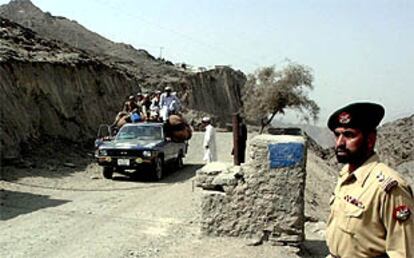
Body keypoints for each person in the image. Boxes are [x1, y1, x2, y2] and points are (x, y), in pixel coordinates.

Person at [325, 102, 414, 258]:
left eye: (349, 135)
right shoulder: (346, 174)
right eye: (337, 134)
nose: (340, 143)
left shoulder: (388, 187)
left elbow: (403, 252)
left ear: (370, 140)